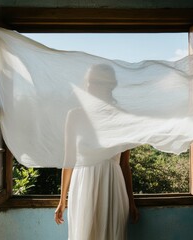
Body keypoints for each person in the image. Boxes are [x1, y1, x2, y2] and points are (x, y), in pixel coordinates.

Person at [54, 64, 139, 240]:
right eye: (88, 82)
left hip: (112, 185)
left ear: (109, 84)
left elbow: (124, 165)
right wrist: (62, 200)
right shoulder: (75, 116)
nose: (89, 86)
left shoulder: (123, 117)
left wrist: (131, 202)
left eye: (95, 82)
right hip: (83, 184)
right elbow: (68, 160)